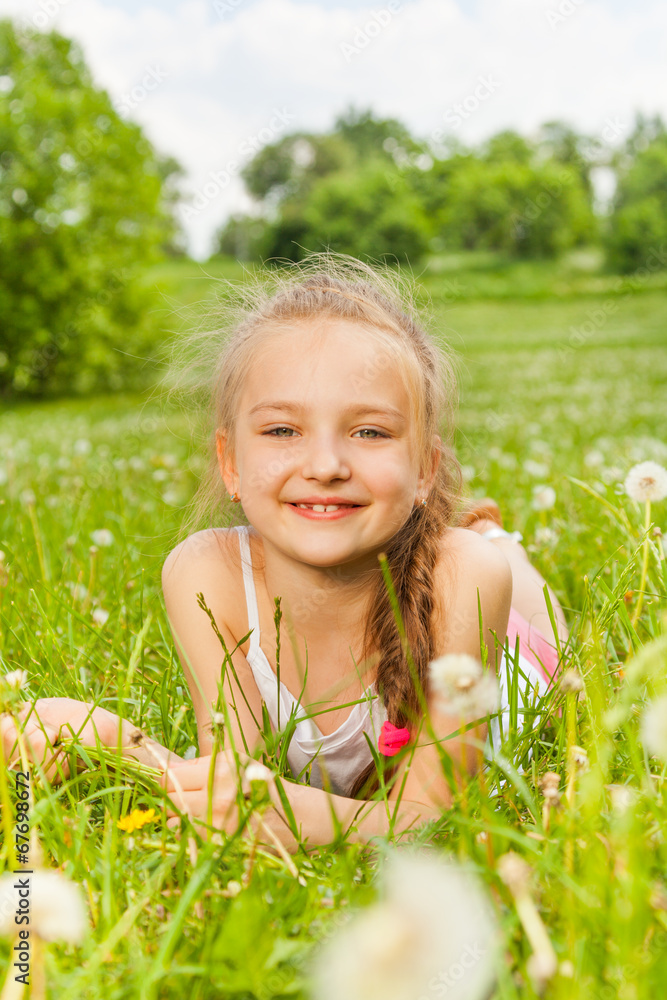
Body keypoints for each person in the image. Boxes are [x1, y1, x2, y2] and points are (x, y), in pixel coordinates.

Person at [1, 254, 569, 853]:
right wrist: (111, 740)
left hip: (515, 658)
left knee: (521, 595)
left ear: (426, 468)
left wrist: (306, 816)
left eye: (370, 432)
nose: (325, 466)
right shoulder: (206, 576)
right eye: (282, 431)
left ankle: (497, 540)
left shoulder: (465, 580)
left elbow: (435, 813)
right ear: (229, 463)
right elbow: (230, 784)